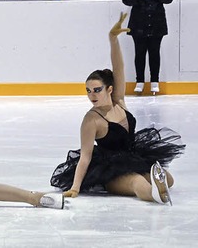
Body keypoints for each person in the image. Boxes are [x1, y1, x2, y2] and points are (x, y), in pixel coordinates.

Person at [50, 12, 185, 205]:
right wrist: (75, 187)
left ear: (109, 89)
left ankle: (159, 187)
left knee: (169, 179)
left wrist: (112, 39)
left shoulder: (119, 100)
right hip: (109, 170)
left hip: (134, 157)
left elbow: (118, 67)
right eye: (88, 91)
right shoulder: (91, 120)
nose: (92, 95)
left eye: (97, 90)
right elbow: (85, 158)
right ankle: (156, 195)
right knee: (138, 183)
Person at [121, 0, 174, 95]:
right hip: (139, 19)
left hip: (157, 19)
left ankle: (154, 82)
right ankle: (139, 82)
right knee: (139, 52)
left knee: (154, 52)